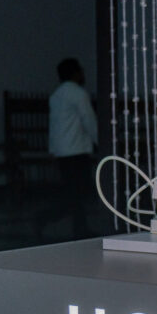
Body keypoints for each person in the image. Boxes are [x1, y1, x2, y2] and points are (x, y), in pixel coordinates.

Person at [48, 58, 97, 237]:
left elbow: (53, 126)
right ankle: (47, 218)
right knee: (79, 191)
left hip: (63, 151)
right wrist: (99, 140)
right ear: (76, 73)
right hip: (77, 150)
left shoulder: (56, 95)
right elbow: (89, 120)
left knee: (73, 192)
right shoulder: (78, 94)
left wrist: (52, 149)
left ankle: (78, 227)